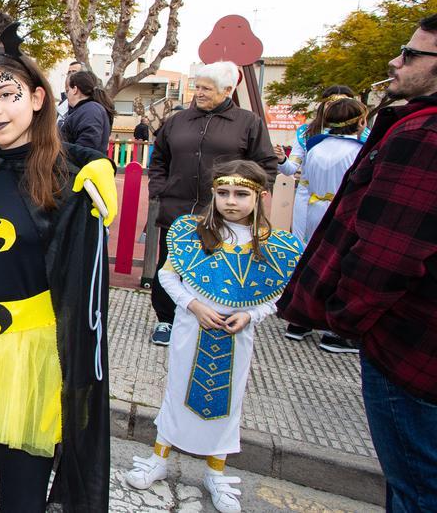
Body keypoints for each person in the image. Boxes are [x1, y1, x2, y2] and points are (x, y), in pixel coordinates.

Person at [0, 51, 113, 511]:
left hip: (32, 357)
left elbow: (86, 294)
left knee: (21, 489)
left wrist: (98, 162)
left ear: (36, 97)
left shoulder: (71, 180)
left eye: (7, 95)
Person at [278, 15, 437, 513]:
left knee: (414, 485)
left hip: (406, 349)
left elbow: (388, 252)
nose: (396, 61)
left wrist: (346, 318)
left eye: (411, 54)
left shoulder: (422, 137)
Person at [125, 160, 302, 513]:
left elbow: (275, 296)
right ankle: (159, 457)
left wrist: (250, 314)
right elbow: (168, 277)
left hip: (237, 338)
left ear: (260, 196)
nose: (230, 201)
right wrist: (193, 306)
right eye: (223, 193)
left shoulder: (274, 245)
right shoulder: (190, 232)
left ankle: (216, 471)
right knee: (177, 391)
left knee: (229, 401)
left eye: (240, 194)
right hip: (191, 329)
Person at [145, 61, 278, 346]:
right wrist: (159, 189)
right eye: (198, 86)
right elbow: (158, 159)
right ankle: (165, 320)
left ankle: (218, 315)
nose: (198, 93)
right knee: (170, 265)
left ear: (228, 90)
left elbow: (265, 166)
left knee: (218, 266)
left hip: (224, 214)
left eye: (207, 89)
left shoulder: (248, 122)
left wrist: (248, 199)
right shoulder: (178, 121)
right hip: (177, 209)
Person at [277, 94, 367, 352]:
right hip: (343, 212)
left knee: (311, 262)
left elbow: (298, 174)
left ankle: (299, 319)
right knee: (339, 268)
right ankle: (333, 331)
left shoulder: (315, 147)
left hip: (314, 207)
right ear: (360, 122)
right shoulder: (359, 151)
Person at [60, 70, 115, 156]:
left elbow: (86, 148)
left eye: (68, 91)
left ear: (75, 89)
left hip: (81, 168)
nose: (67, 95)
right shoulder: (87, 110)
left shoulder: (90, 111)